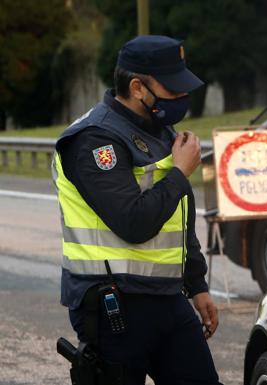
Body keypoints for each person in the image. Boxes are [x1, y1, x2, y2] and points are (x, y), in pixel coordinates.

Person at [52, 35, 222, 384]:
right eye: (172, 89)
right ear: (137, 87)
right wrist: (179, 173)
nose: (182, 98)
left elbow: (179, 216)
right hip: (113, 302)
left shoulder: (159, 129)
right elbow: (133, 221)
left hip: (165, 296)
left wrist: (196, 283)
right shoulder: (94, 140)